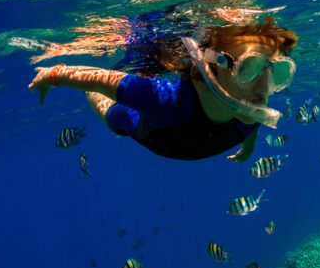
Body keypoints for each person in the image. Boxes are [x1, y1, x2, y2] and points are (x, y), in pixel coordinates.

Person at [28, 16, 297, 162]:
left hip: (178, 141)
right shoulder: (163, 101)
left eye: (277, 72)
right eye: (249, 69)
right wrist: (52, 74)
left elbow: (252, 127)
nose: (265, 88)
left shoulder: (251, 108)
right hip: (152, 131)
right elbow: (102, 79)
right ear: (202, 73)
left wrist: (247, 151)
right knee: (111, 114)